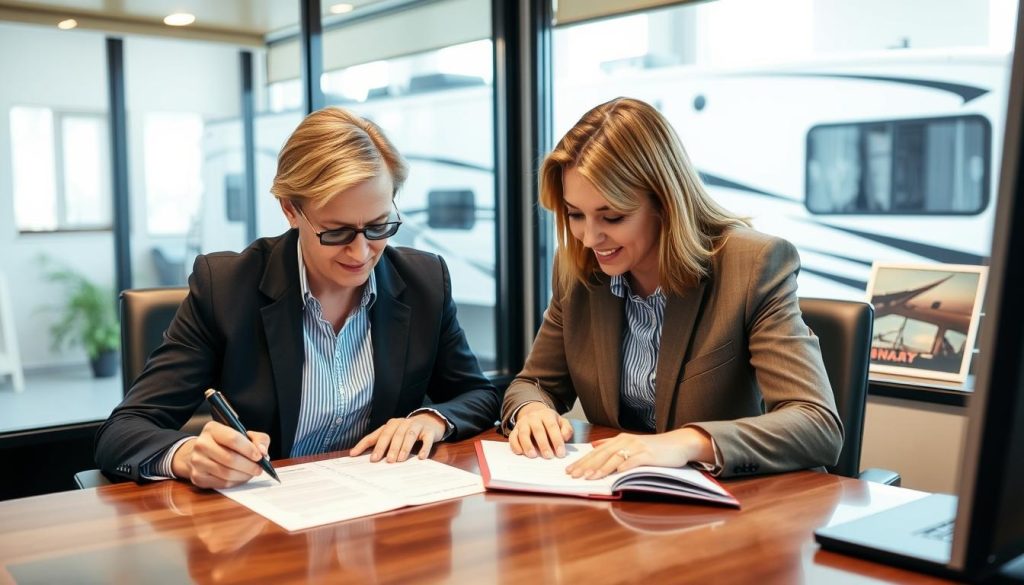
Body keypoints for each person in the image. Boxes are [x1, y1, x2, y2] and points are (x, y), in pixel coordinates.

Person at [96, 107, 500, 488]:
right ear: (290, 210)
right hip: (268, 515)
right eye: (337, 232)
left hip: (384, 508)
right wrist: (187, 456)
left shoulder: (424, 282)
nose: (361, 253)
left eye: (379, 226)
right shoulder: (226, 288)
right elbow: (123, 431)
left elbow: (480, 395)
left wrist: (433, 419)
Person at [502, 97, 843, 480]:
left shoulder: (753, 265)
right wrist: (532, 410)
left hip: (733, 498)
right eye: (575, 214)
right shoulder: (579, 271)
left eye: (612, 217)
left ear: (664, 203)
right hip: (620, 493)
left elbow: (817, 425)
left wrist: (687, 442)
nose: (590, 237)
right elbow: (532, 384)